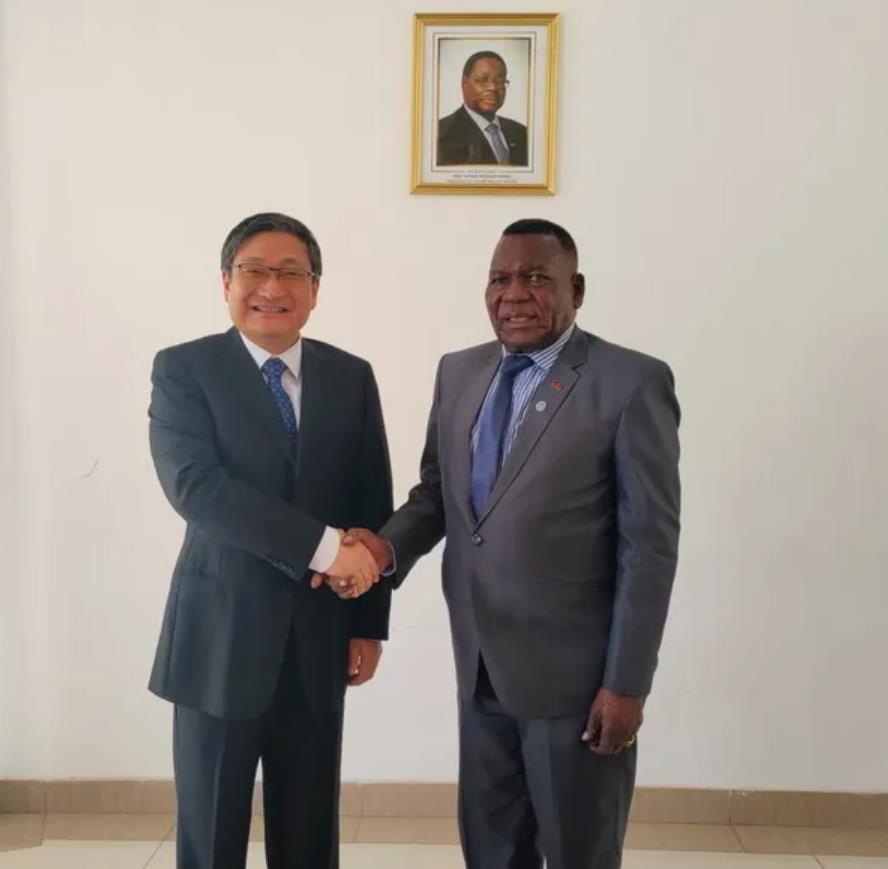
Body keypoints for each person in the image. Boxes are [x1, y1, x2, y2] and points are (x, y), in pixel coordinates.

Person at [336, 219, 681, 869]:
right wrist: (382, 550)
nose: (514, 293)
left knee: (579, 851)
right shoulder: (459, 372)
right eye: (500, 278)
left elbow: (650, 548)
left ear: (576, 290)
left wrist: (627, 684)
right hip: (479, 666)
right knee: (492, 848)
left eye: (536, 278)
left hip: (576, 684)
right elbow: (438, 495)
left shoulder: (630, 382)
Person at [147, 212, 392, 869]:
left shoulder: (350, 376)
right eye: (255, 270)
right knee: (210, 833)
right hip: (218, 637)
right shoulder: (184, 369)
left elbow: (370, 499)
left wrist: (368, 623)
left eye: (292, 273)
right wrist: (324, 549)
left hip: (319, 636)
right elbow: (197, 488)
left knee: (309, 833)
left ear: (316, 289)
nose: (272, 287)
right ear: (226, 281)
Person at [437, 50, 529, 167]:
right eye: (482, 80)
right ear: (464, 84)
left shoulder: (521, 133)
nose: (493, 87)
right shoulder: (441, 134)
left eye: (500, 81)